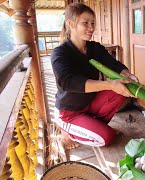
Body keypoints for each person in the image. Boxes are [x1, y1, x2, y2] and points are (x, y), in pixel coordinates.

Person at [51, 3, 138, 149]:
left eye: (93, 23)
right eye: (85, 23)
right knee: (107, 138)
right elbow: (67, 81)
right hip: (69, 112)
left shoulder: (95, 48)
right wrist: (110, 85)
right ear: (70, 24)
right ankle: (67, 130)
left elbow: (113, 64)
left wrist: (128, 75)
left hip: (89, 104)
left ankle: (93, 127)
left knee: (123, 89)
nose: (91, 28)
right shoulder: (60, 53)